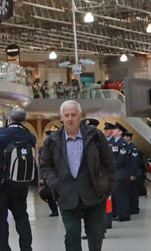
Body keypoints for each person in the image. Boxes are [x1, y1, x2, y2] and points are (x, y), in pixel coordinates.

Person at [38, 100, 116, 251]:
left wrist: (108, 187)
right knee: (72, 234)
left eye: (73, 115)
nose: (70, 118)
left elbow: (109, 163)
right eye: (66, 115)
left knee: (96, 234)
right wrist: (56, 183)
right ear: (61, 117)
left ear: (80, 116)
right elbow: (45, 165)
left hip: (94, 193)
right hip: (66, 194)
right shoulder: (53, 140)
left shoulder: (95, 136)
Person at [0, 107, 35, 251]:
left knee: (1, 220)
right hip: (20, 185)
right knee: (22, 217)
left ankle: (4, 249)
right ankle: (26, 248)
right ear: (25, 121)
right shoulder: (30, 137)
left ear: (9, 119)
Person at [108, 122, 132, 221]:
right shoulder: (113, 142)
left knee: (122, 195)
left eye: (115, 129)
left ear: (120, 132)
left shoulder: (123, 143)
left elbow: (121, 159)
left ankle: (124, 214)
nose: (112, 130)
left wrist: (111, 166)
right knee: (116, 195)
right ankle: (117, 213)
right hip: (115, 173)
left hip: (121, 173)